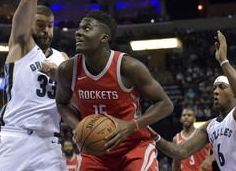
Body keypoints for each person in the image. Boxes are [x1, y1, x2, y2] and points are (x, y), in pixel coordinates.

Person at [0, 0, 98, 171]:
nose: (46, 30)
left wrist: (83, 126)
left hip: (49, 143)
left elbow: (76, 101)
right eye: (40, 25)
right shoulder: (20, 46)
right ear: (29, 25)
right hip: (15, 139)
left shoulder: (62, 58)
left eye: (50, 26)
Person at [55, 9, 174, 170]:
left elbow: (165, 104)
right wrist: (78, 127)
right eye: (79, 28)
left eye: (87, 28)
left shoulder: (128, 66)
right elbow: (62, 103)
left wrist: (131, 125)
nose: (78, 33)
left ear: (104, 37)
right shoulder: (67, 70)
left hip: (134, 146)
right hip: (95, 152)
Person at [149, 30, 236, 171]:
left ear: (235, 93)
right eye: (214, 88)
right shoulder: (210, 126)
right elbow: (181, 152)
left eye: (222, 87)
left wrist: (223, 61)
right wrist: (155, 137)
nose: (215, 91)